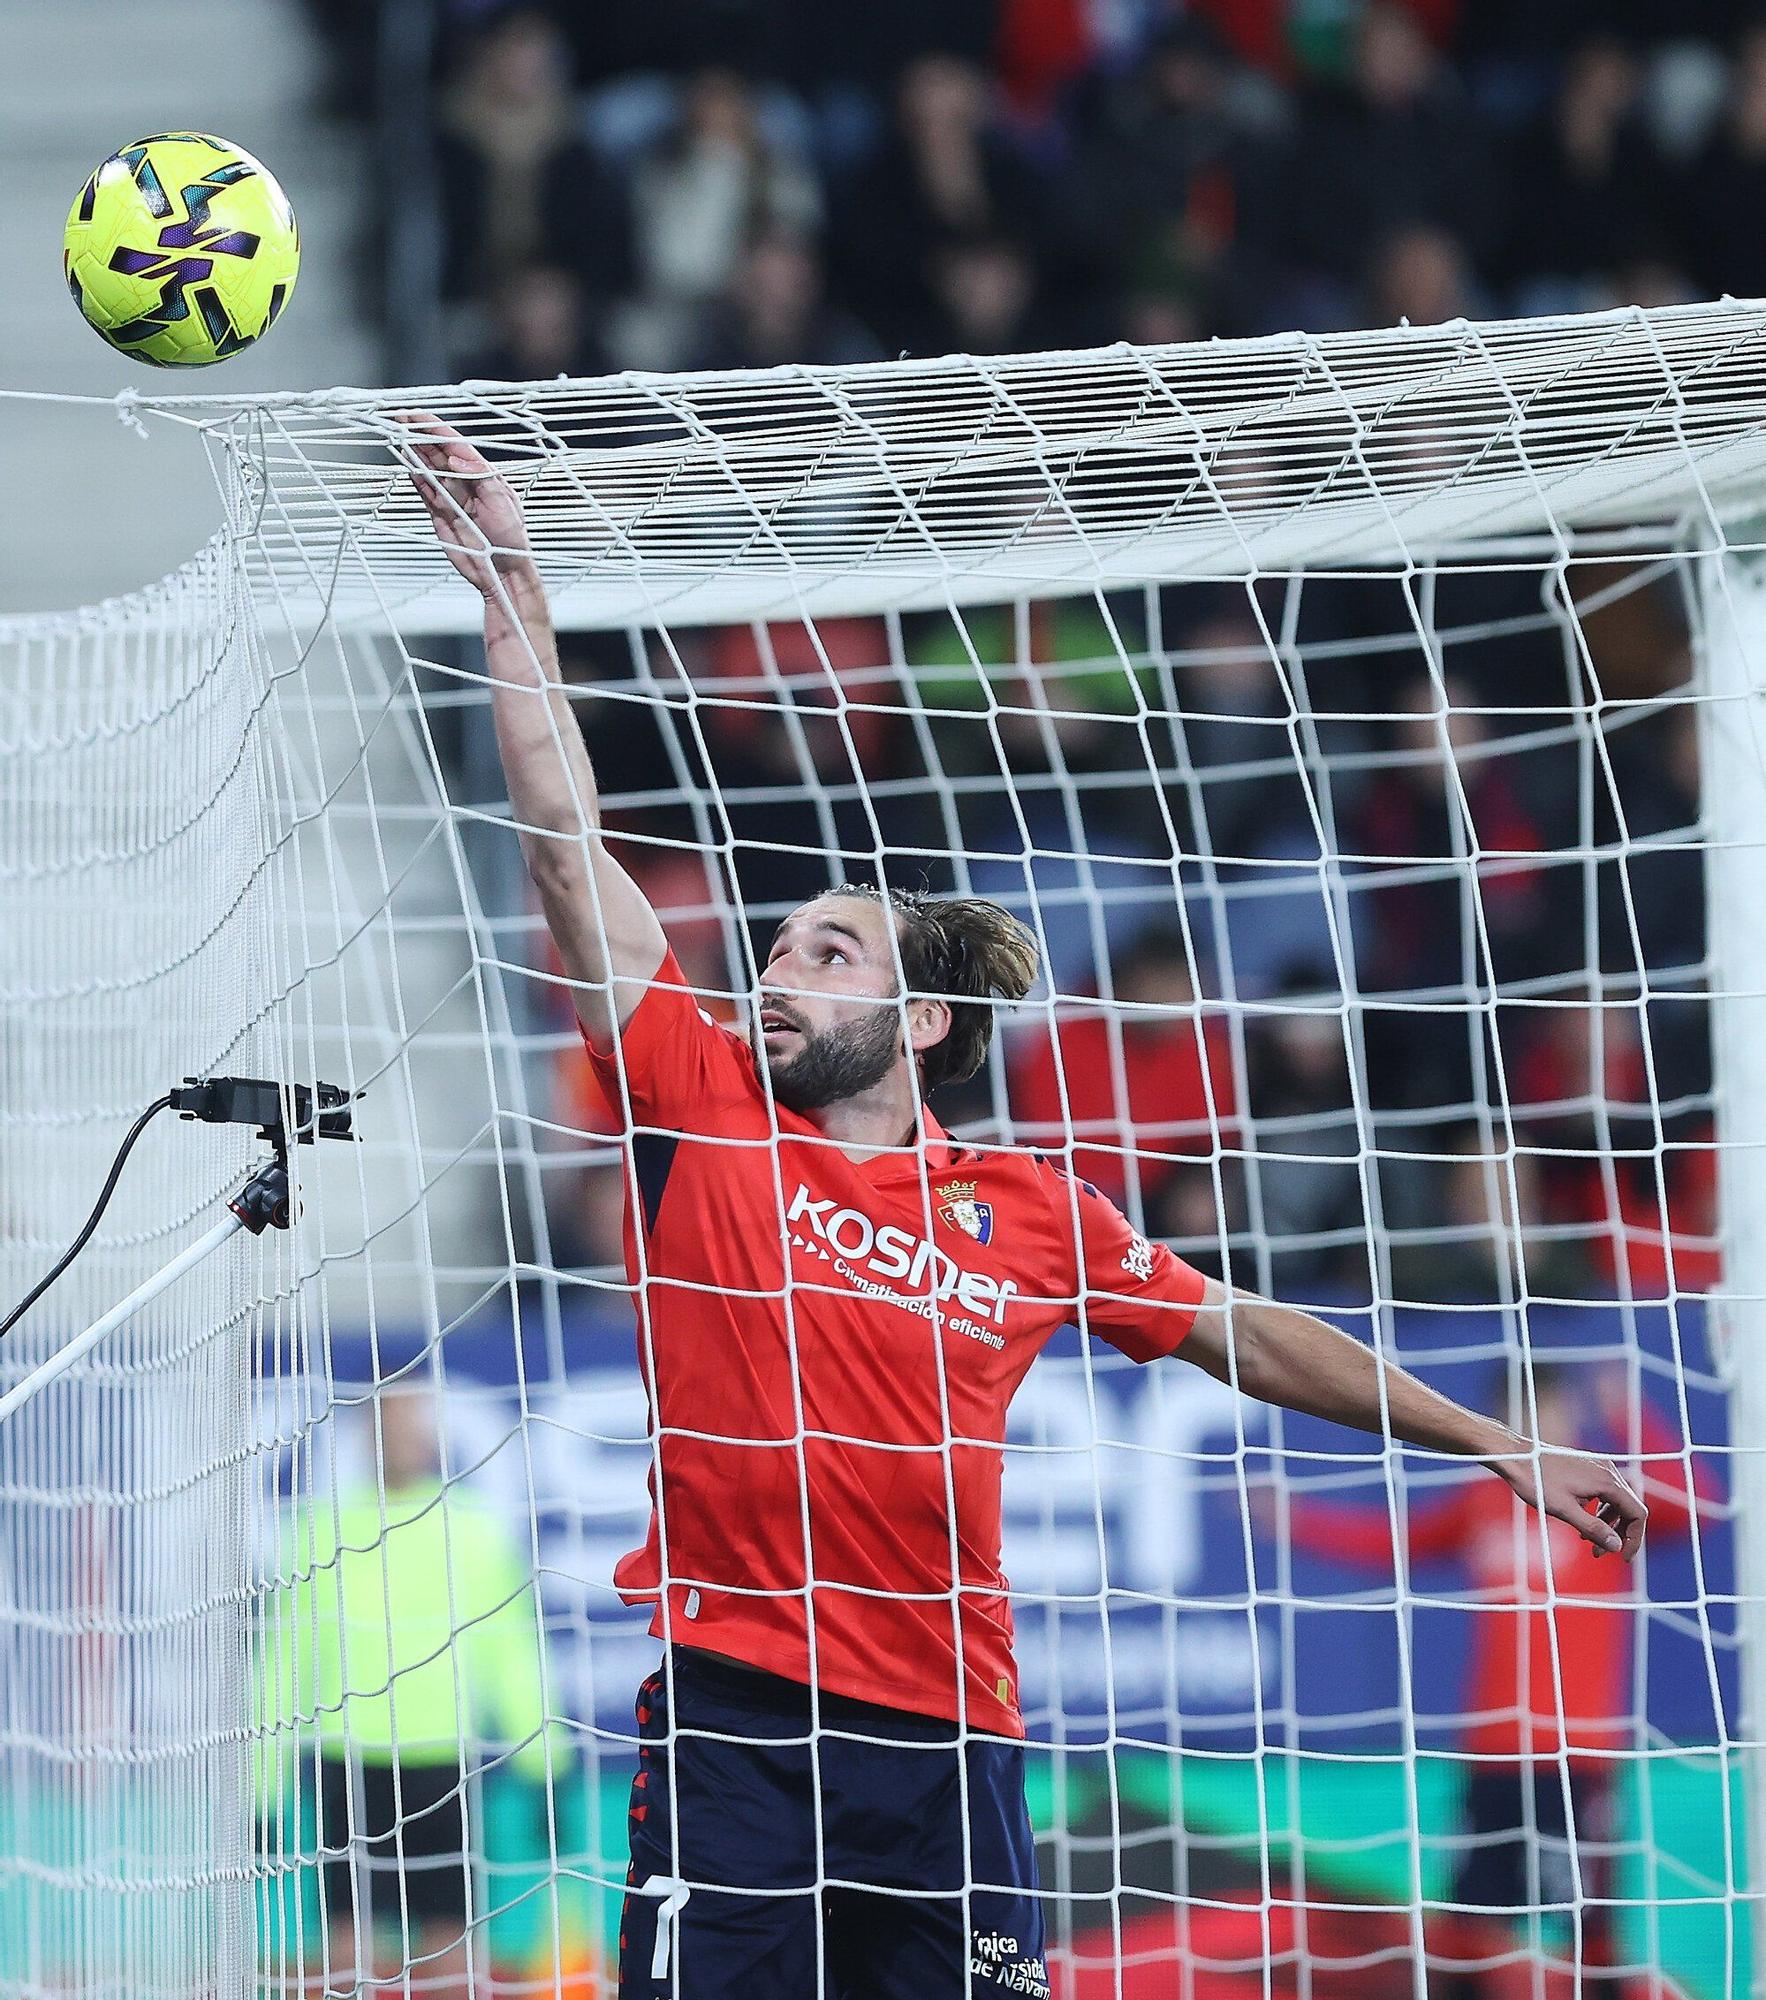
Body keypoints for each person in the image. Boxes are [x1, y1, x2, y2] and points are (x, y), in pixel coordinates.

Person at [403, 419, 1649, 2000]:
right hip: (736, 1718)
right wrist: (517, 603)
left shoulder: (1031, 1207)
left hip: (953, 1739)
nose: (778, 974)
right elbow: (569, 853)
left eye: (826, 956)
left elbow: (1241, 1335)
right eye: (775, 952)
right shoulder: (702, 1104)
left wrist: (1491, 1437)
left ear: (921, 1024)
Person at [1270, 1362, 1704, 1990]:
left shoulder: (1605, 1504)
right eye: (1521, 1415)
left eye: (1549, 1411)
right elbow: (1393, 1543)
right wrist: (1297, 1520)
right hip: (1493, 1752)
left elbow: (1697, 1506)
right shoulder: (1482, 1502)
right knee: (1467, 1927)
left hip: (1575, 1755)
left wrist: (1629, 1415)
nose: (1538, 1427)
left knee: (1588, 1928)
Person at [286, 1387, 554, 1999]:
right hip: (347, 1756)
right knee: (346, 1937)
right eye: (387, 1425)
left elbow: (512, 1654)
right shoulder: (319, 1533)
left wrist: (546, 1762)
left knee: (449, 1934)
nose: (400, 1437)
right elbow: (283, 1665)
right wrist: (261, 1787)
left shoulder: (472, 1531)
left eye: (411, 1423)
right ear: (366, 1437)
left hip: (442, 1758)